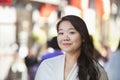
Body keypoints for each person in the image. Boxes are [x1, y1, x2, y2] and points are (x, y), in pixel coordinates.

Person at [35, 15, 108, 80]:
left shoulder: (96, 71)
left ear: (83, 37)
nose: (65, 38)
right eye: (61, 33)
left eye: (71, 32)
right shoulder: (47, 66)